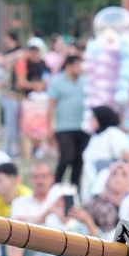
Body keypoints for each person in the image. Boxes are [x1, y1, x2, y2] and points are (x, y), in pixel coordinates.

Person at [47, 54, 90, 189]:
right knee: (67, 156)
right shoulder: (57, 82)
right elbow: (50, 106)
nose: (80, 68)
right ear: (69, 66)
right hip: (63, 127)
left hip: (82, 126)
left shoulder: (85, 82)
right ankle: (56, 184)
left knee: (79, 160)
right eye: (77, 65)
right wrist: (49, 128)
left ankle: (74, 190)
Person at [80, 106, 129, 194]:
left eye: (93, 118)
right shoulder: (95, 136)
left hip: (107, 184)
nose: (91, 121)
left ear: (101, 117)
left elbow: (124, 158)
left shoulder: (114, 133)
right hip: (91, 181)